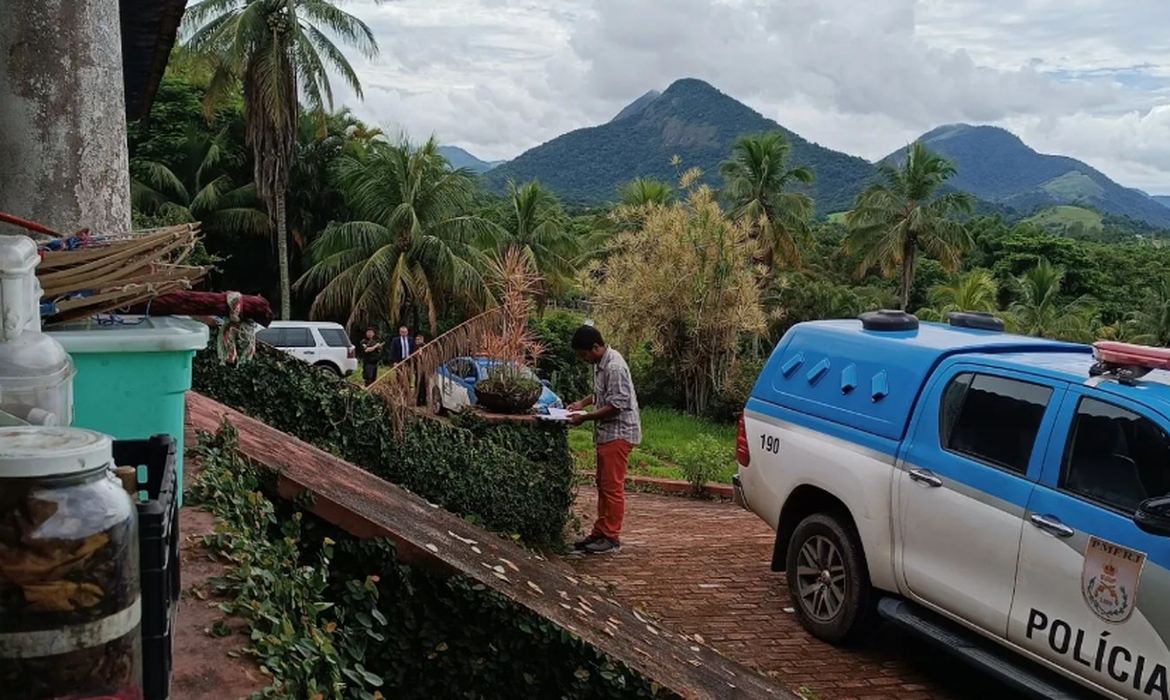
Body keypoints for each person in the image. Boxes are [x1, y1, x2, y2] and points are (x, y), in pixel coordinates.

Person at [567, 324, 641, 555]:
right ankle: (600, 531)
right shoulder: (601, 364)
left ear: (596, 347)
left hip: (619, 433)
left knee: (612, 487)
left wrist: (585, 417)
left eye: (584, 354)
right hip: (607, 434)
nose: (583, 359)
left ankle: (611, 536)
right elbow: (602, 393)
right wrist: (582, 403)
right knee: (603, 484)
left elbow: (617, 406)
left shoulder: (615, 366)